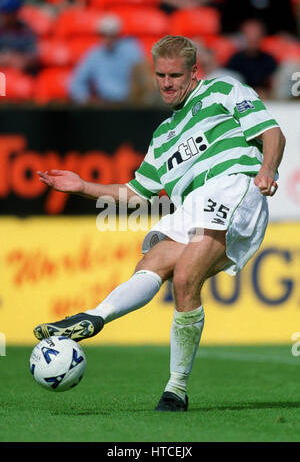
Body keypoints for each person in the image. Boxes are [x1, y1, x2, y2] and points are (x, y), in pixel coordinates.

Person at [34, 35, 285, 412]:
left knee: (185, 277)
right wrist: (83, 185)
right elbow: (136, 194)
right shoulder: (163, 137)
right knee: (151, 264)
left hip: (233, 185)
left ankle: (176, 389)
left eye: (175, 75)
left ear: (193, 71)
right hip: (192, 205)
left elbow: (272, 132)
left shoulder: (223, 89)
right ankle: (93, 317)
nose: (167, 83)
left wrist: (267, 169)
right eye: (160, 75)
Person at [68, 13, 153, 105]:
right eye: (103, 35)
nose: (107, 39)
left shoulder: (131, 50)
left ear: (118, 35)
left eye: (111, 35)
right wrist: (85, 100)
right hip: (106, 106)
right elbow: (76, 83)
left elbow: (145, 78)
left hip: (130, 104)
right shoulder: (94, 55)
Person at [225, 19, 278, 99]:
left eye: (256, 35)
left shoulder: (269, 60)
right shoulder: (235, 59)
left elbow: (273, 82)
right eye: (249, 35)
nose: (253, 38)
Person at [0, 0, 38, 75]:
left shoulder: (26, 31)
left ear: (15, 13)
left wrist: (21, 60)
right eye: (2, 12)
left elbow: (34, 56)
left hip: (19, 76)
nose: (4, 16)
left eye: (8, 13)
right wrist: (5, 59)